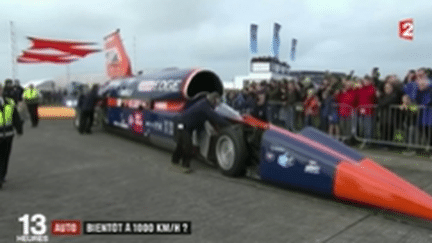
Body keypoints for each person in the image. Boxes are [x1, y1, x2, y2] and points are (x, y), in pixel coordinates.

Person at [171, 92, 229, 173]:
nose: (217, 102)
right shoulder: (205, 106)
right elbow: (215, 117)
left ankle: (174, 160)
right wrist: (228, 125)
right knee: (188, 145)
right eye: (217, 100)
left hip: (185, 125)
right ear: (214, 99)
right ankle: (185, 165)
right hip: (182, 124)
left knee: (181, 143)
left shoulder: (205, 104)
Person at [0, 84, 23, 189]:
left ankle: (3, 175)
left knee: (5, 156)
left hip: (8, 135)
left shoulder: (9, 102)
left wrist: (19, 129)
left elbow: (15, 117)